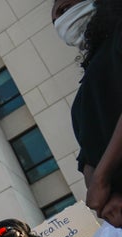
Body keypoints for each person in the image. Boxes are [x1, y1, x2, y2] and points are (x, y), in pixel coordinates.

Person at [51, 0, 122, 218]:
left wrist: (101, 178)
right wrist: (104, 200)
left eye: (64, 10)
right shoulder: (82, 99)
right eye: (56, 22)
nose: (63, 22)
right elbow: (87, 158)